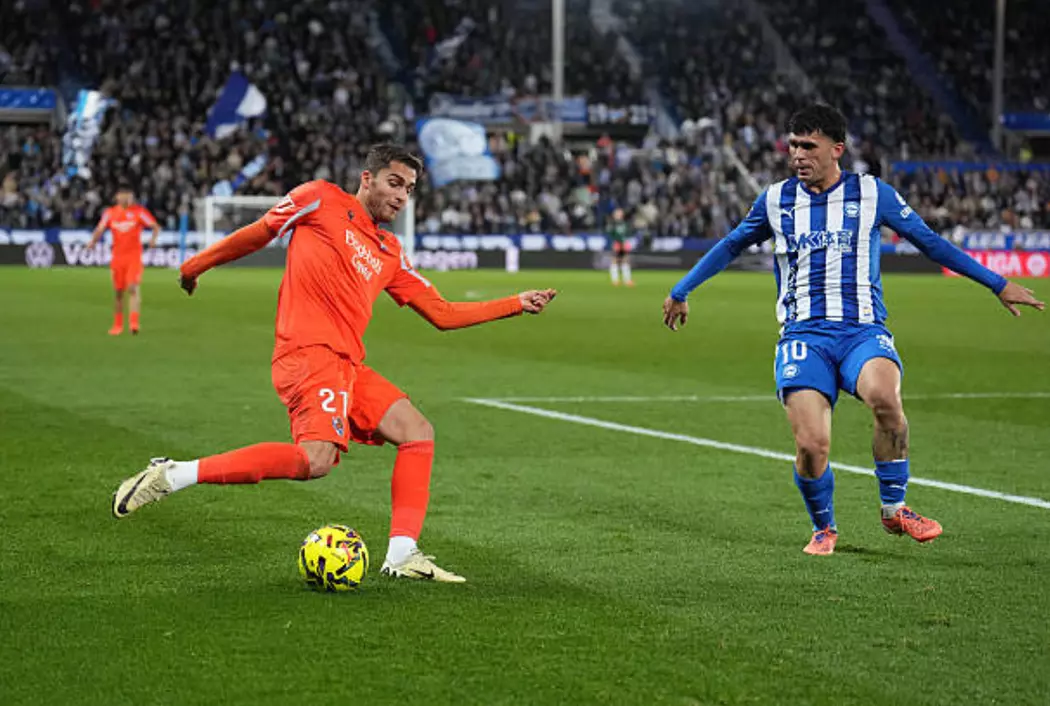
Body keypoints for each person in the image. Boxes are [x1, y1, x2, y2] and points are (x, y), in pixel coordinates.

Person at [112, 144, 558, 582]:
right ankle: (173, 474)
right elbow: (261, 231)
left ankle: (402, 555)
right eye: (394, 183)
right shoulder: (319, 198)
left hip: (346, 364)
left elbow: (441, 313)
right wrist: (195, 265)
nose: (402, 196)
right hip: (308, 354)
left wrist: (515, 303)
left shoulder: (389, 251)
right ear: (368, 179)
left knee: (416, 431)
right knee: (316, 459)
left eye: (409, 188)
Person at [662, 105, 1044, 556]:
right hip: (803, 337)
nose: (798, 155)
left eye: (809, 146)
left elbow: (931, 243)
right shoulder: (775, 200)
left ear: (836, 149)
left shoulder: (872, 194)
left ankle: (894, 507)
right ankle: (824, 527)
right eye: (793, 145)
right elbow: (730, 245)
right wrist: (682, 289)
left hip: (862, 331)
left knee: (886, 399)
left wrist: (997, 284)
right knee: (812, 446)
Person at [87, 183, 160, 335]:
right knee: (119, 292)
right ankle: (117, 325)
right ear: (117, 197)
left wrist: (153, 240)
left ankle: (134, 323)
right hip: (117, 258)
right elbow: (100, 228)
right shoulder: (110, 213)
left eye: (128, 195)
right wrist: (92, 242)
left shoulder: (139, 212)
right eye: (123, 195)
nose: (126, 198)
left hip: (134, 257)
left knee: (132, 288)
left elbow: (155, 226)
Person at [607, 208, 633, 286]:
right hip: (617, 244)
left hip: (624, 243)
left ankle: (627, 280)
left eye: (620, 214)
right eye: (617, 214)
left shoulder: (625, 224)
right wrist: (614, 243)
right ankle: (615, 280)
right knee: (615, 261)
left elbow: (627, 233)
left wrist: (625, 243)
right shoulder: (612, 224)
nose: (618, 215)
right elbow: (610, 234)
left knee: (625, 260)